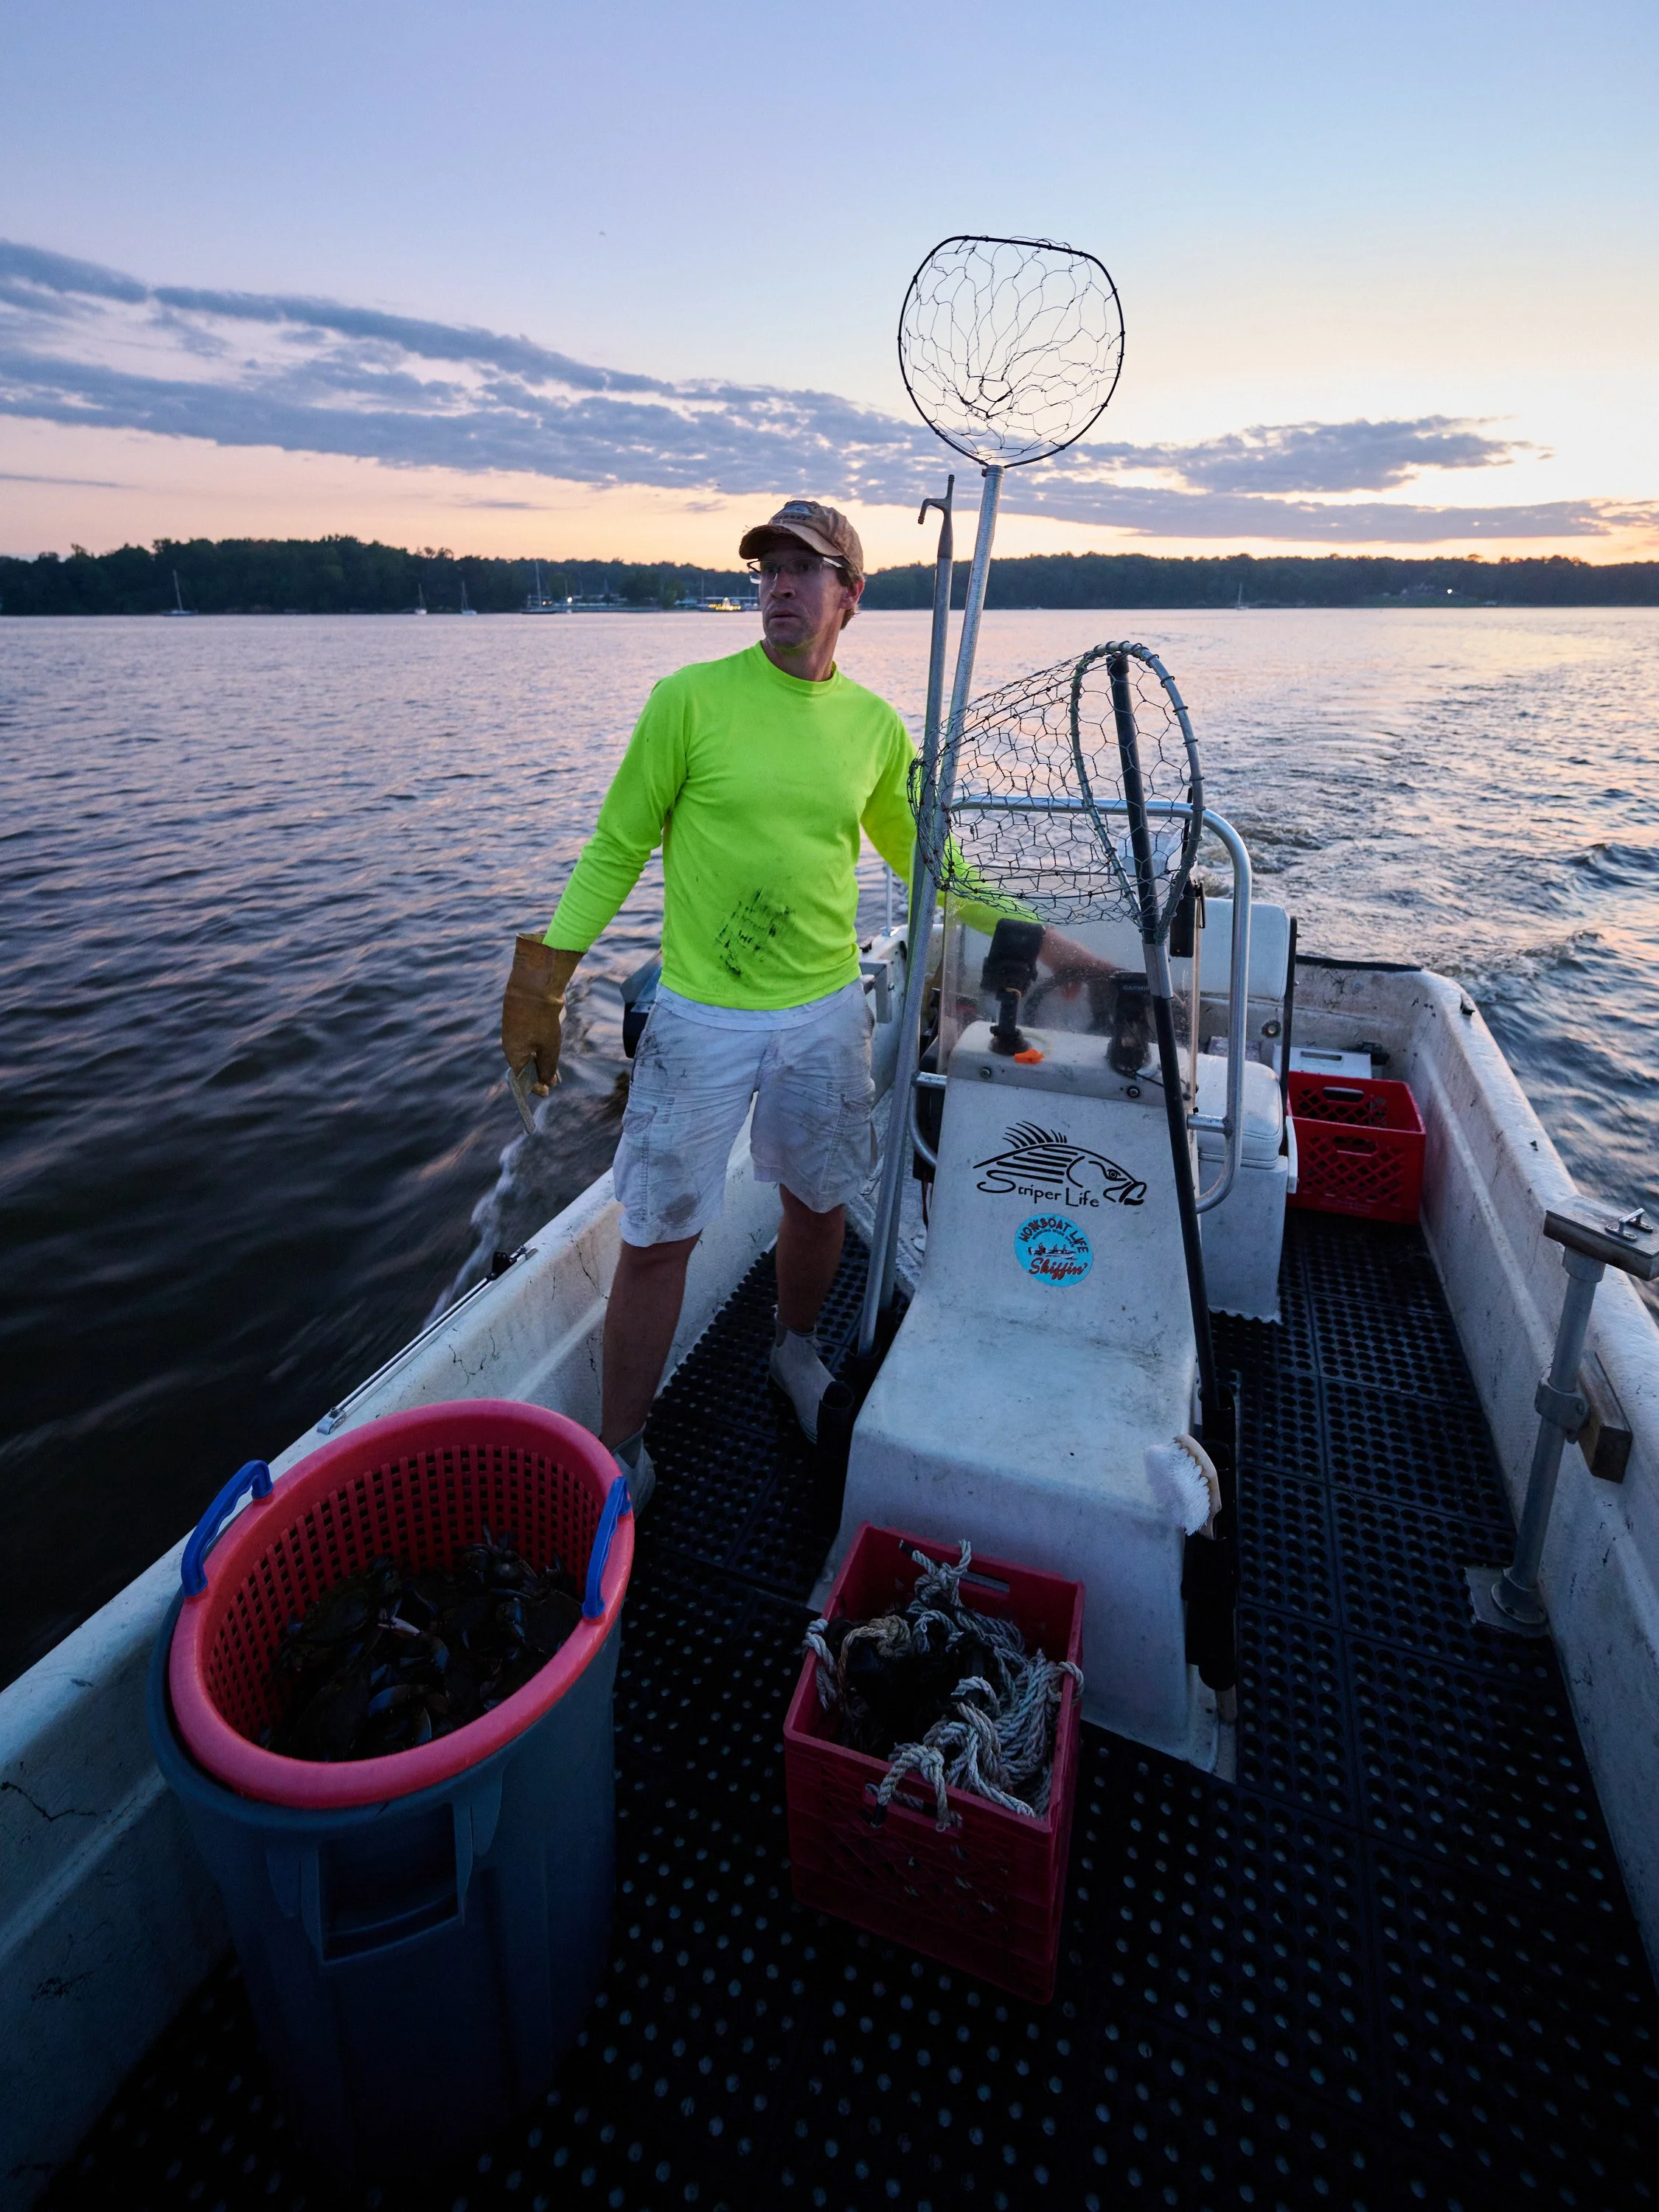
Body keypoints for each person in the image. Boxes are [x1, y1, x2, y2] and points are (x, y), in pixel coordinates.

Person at [499, 498, 1097, 1510]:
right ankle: (620, 1450)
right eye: (766, 568)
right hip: (697, 1016)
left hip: (823, 1009)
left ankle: (790, 1348)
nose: (778, 584)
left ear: (849, 597)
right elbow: (615, 846)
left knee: (819, 1205)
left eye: (804, 569)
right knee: (657, 1235)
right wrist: (542, 979)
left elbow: (929, 871)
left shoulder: (869, 726)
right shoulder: (687, 699)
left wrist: (1051, 944)